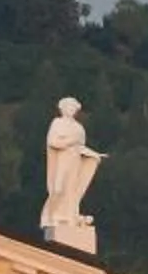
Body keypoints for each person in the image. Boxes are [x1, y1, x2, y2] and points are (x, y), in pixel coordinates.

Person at [41, 97, 104, 230]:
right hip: (61, 160)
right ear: (62, 109)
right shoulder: (57, 123)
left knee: (71, 190)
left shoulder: (79, 127)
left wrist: (94, 155)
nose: (71, 110)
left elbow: (80, 147)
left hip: (74, 161)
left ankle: (69, 216)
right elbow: (52, 142)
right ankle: (51, 215)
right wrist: (70, 141)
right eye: (69, 107)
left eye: (73, 108)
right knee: (58, 189)